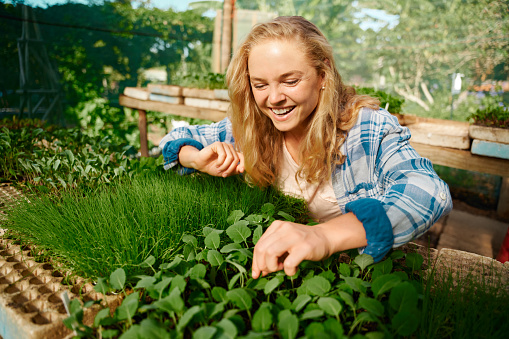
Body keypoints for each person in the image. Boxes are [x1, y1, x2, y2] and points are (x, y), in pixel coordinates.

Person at [159, 16, 452, 279]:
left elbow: (428, 191)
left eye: (290, 80)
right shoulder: (255, 127)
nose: (274, 98)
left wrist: (323, 237)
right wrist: (195, 158)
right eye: (260, 85)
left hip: (360, 275)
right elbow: (175, 138)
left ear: (323, 75)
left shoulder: (366, 128)